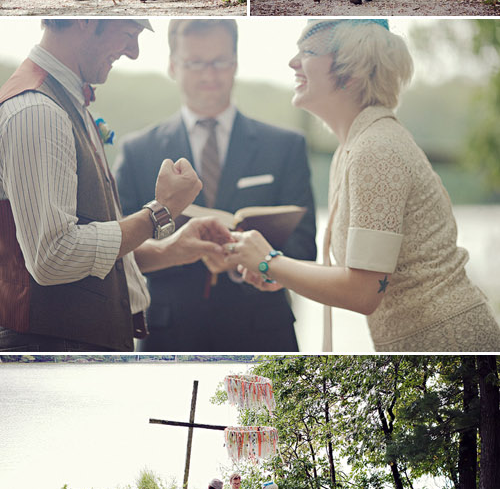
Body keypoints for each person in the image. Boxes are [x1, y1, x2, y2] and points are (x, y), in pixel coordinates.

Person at [226, 21, 500, 355]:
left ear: (352, 71)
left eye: (307, 52)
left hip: (450, 343)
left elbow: (363, 292)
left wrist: (269, 261)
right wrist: (283, 272)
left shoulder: (376, 149)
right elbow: (357, 273)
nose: (293, 63)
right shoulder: (353, 147)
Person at [0, 19, 232, 351]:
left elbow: (85, 251)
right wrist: (159, 212)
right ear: (85, 20)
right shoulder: (38, 111)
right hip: (54, 353)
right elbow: (54, 256)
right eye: (129, 34)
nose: (134, 53)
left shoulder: (61, 103)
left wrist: (171, 249)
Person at [113, 18, 317, 352]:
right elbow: (117, 252)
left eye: (220, 61)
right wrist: (175, 251)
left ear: (235, 64)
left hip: (263, 332)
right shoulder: (137, 151)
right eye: (195, 63)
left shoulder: (285, 146)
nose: (209, 74)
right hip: (168, 334)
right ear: (173, 66)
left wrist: (247, 259)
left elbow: (305, 248)